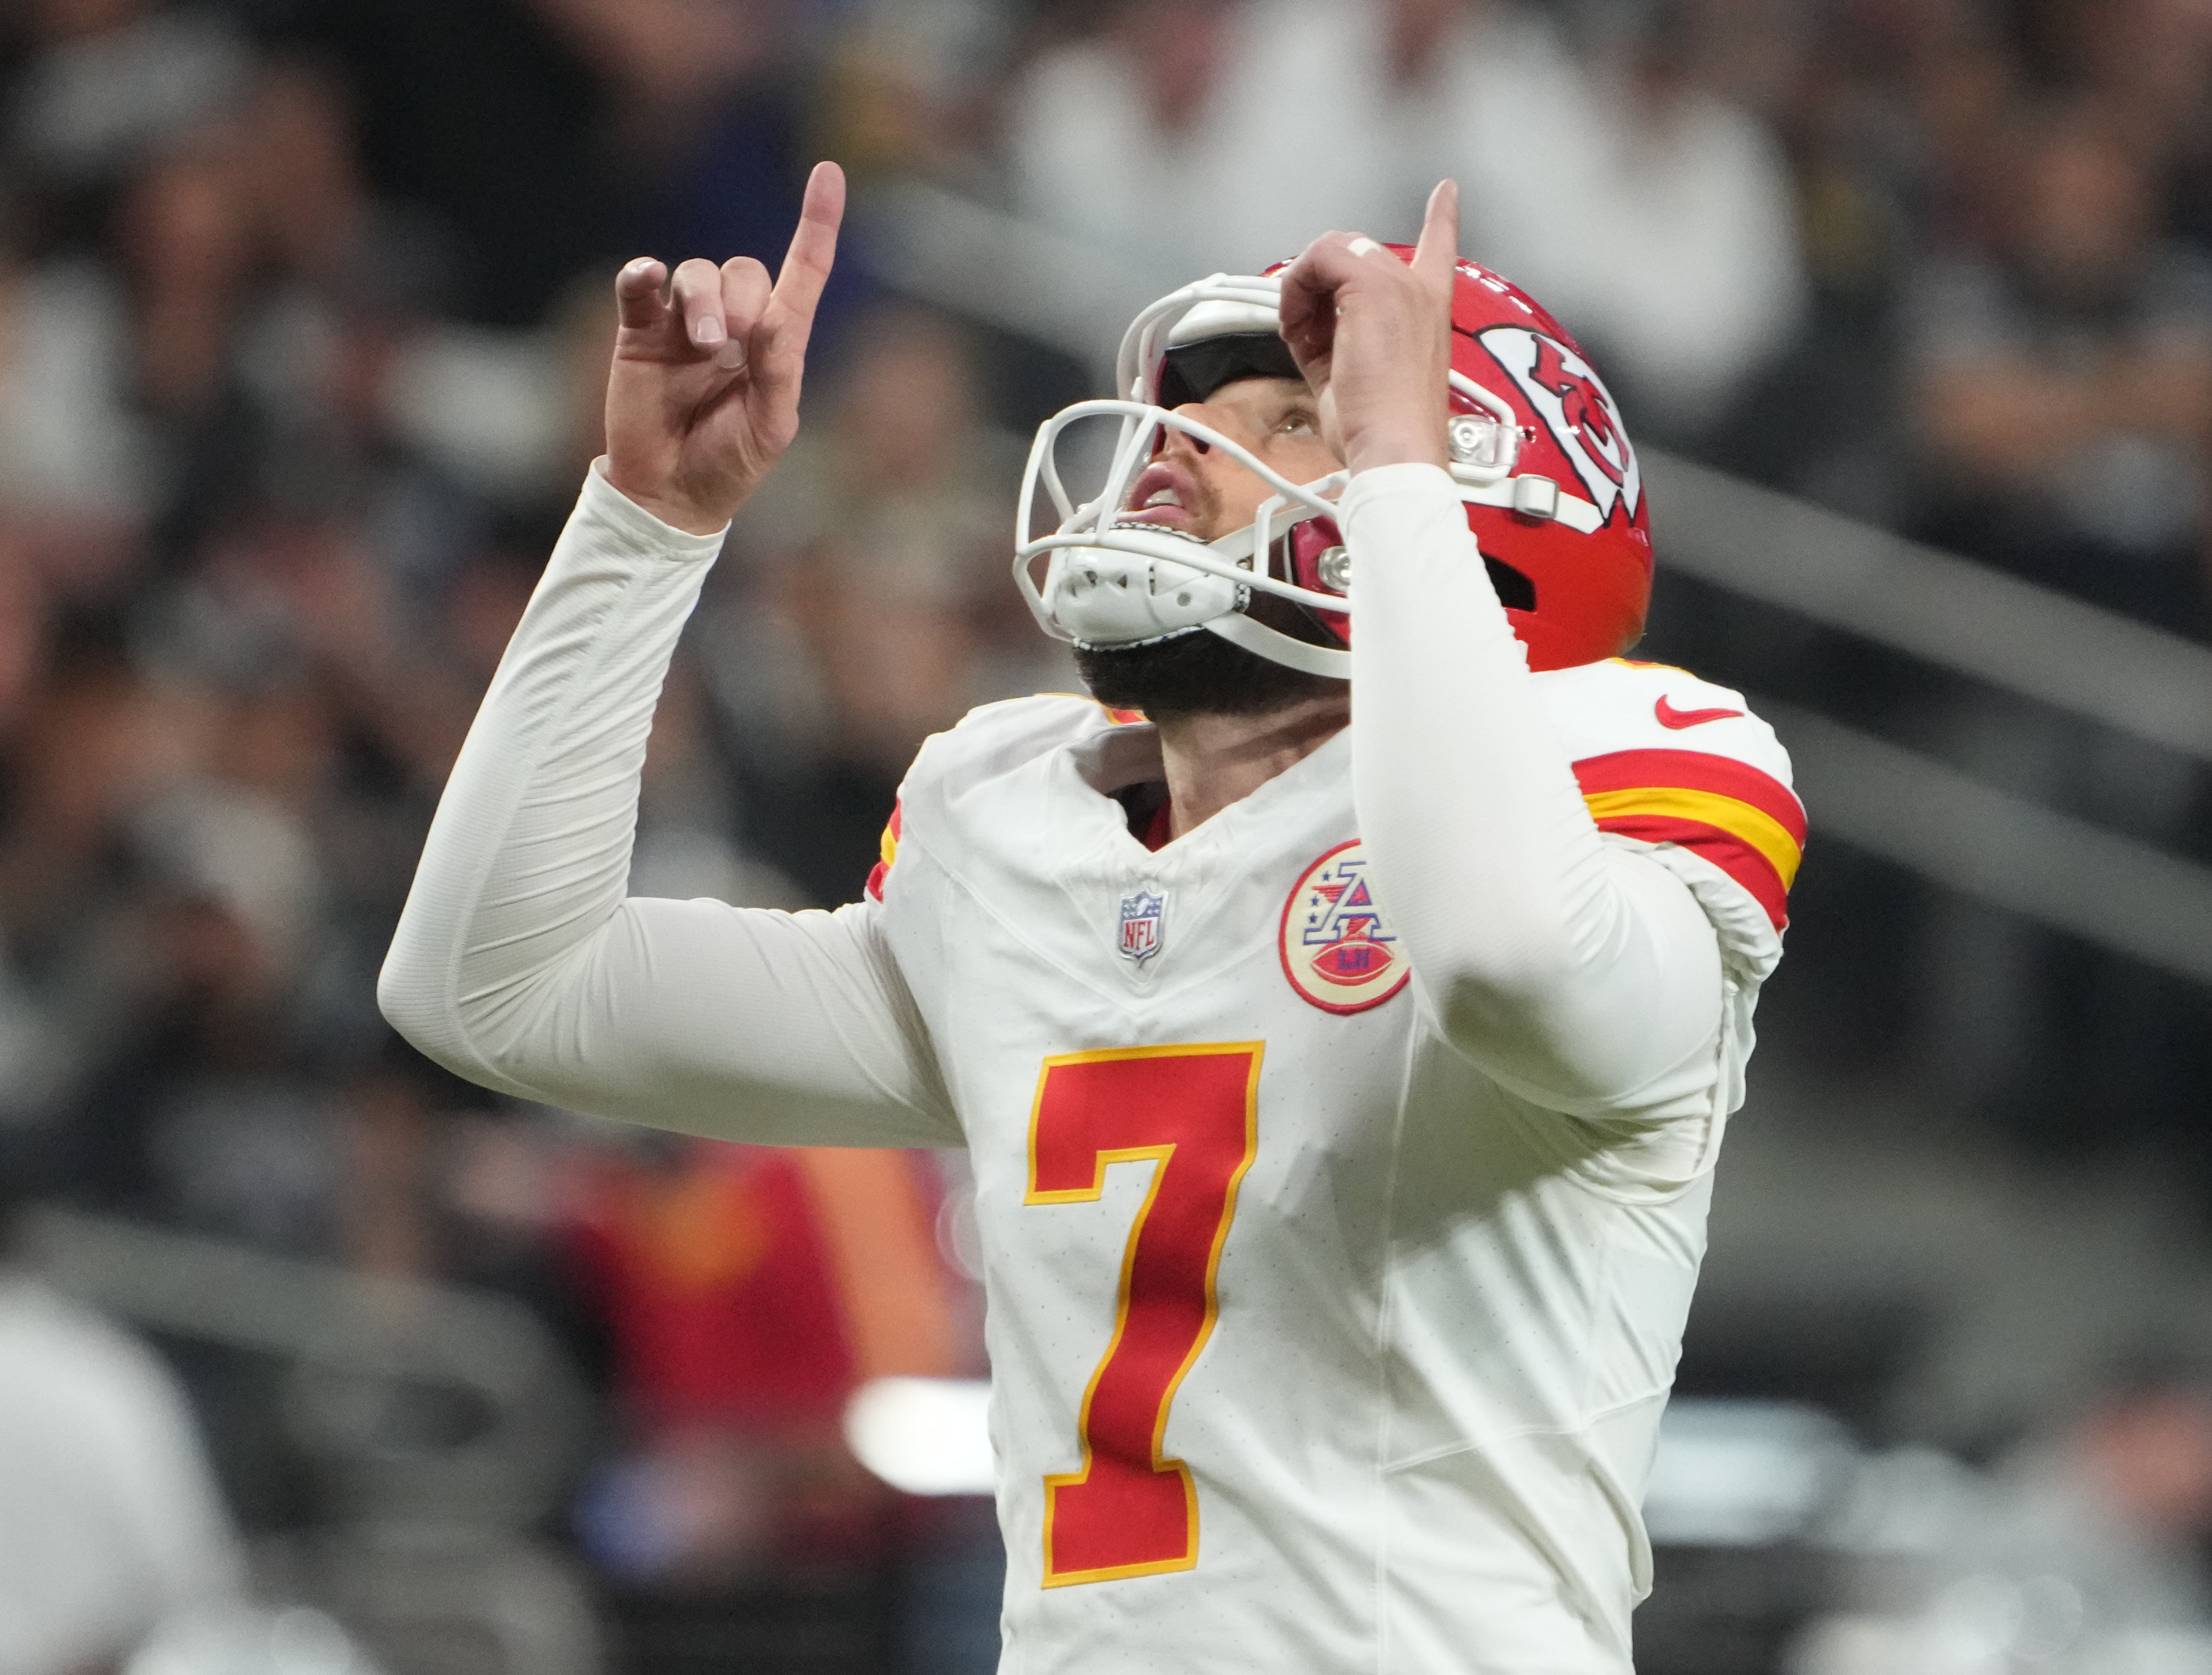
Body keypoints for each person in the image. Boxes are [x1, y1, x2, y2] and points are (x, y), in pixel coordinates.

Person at [381, 163, 1802, 1670]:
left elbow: (1507, 958)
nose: (1181, 457)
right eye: (1197, 415)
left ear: (1485, 519)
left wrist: (1392, 466)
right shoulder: (1020, 827)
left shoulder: (1626, 772)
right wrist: (647, 526)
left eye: (1293, 418)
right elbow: (495, 985)